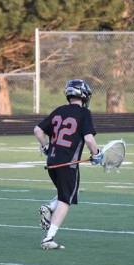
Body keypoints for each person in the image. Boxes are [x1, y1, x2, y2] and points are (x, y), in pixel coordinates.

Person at [34, 79, 104, 250]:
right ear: (84, 95)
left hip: (51, 162)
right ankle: (48, 238)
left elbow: (38, 130)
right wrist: (96, 154)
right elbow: (89, 139)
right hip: (68, 163)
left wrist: (45, 147)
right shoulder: (84, 113)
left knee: (69, 191)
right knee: (66, 199)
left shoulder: (59, 110)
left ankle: (50, 207)